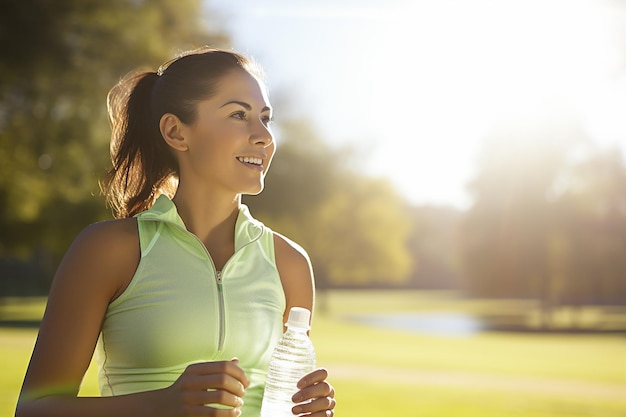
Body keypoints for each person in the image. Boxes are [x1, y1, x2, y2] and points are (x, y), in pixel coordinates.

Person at [15, 47, 336, 417]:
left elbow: (282, 403)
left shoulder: (289, 263)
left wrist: (311, 410)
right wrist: (160, 404)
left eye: (266, 118)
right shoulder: (109, 250)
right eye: (238, 115)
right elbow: (33, 410)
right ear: (175, 132)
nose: (263, 135)